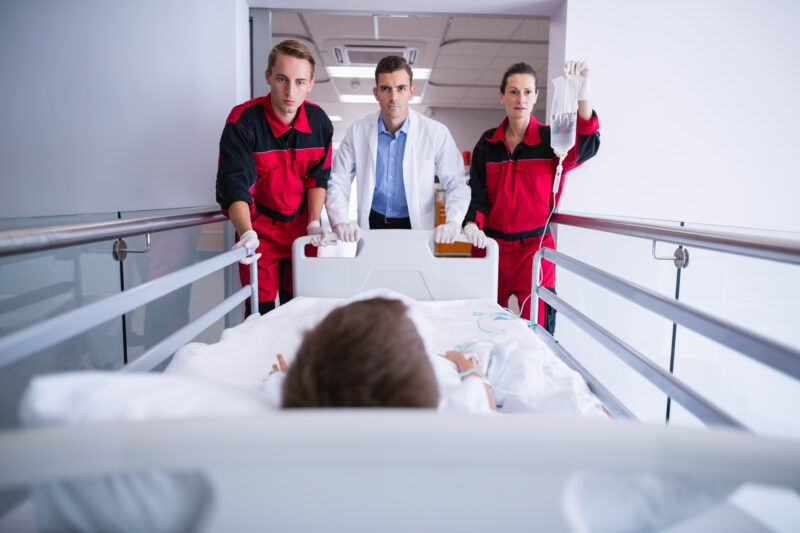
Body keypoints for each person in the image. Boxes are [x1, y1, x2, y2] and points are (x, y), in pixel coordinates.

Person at [462, 61, 600, 333]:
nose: (520, 99)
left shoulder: (553, 140)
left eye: (527, 92)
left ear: (536, 96)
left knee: (539, 328)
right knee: (481, 323)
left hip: (534, 249)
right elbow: (477, 197)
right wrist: (471, 225)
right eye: (513, 91)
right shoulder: (486, 144)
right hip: (492, 247)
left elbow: (587, 144)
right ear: (501, 96)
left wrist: (583, 93)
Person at [216, 40, 333, 315]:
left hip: (302, 230)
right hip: (260, 232)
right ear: (268, 77)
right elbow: (235, 185)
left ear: (311, 83)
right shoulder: (243, 122)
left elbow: (318, 178)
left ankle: (296, 360)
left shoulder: (319, 123)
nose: (291, 91)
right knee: (261, 312)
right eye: (282, 79)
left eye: (300, 82)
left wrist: (315, 222)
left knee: (302, 309)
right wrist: (246, 233)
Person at [326, 55, 470, 244]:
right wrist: (340, 222)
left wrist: (453, 221)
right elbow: (338, 181)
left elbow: (457, 182)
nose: (393, 97)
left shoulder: (435, 132)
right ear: (376, 93)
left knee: (415, 274)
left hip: (416, 225)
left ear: (411, 92)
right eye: (386, 89)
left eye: (401, 88)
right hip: (372, 224)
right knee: (372, 274)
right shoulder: (357, 131)